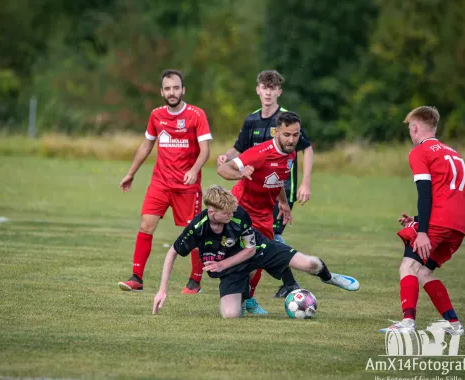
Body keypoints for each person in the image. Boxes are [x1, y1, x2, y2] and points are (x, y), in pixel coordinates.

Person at [152, 185, 359, 318]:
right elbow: (173, 252)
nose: (232, 215)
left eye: (233, 211)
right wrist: (162, 290)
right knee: (230, 316)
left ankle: (329, 277)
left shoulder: (238, 215)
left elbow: (251, 250)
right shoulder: (198, 227)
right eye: (227, 213)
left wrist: (222, 264)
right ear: (212, 212)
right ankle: (243, 297)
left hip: (257, 250)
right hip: (234, 266)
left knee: (310, 264)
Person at [216, 70, 314, 300]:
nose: (268, 92)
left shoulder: (287, 120)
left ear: (279, 91)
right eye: (264, 87)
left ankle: (286, 282)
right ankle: (282, 282)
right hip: (251, 189)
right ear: (257, 90)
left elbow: (306, 148)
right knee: (261, 240)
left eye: (273, 88)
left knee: (267, 239)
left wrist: (306, 183)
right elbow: (240, 148)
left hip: (279, 188)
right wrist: (226, 157)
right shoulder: (251, 119)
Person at [379, 106, 465, 336]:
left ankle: (407, 322)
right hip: (457, 226)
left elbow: (426, 193)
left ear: (415, 127)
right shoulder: (452, 153)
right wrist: (419, 219)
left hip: (438, 224)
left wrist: (422, 230)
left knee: (408, 266)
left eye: (410, 129)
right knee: (422, 272)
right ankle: (454, 325)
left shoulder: (420, 152)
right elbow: (448, 195)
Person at [118, 69, 212, 294]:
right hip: (160, 183)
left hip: (187, 187)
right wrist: (131, 173)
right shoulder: (156, 115)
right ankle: (136, 278)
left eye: (176, 88)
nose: (172, 92)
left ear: (183, 90)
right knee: (145, 225)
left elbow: (205, 150)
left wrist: (194, 169)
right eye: (168, 88)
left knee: (194, 232)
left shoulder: (196, 115)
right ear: (162, 91)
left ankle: (195, 280)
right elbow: (146, 145)